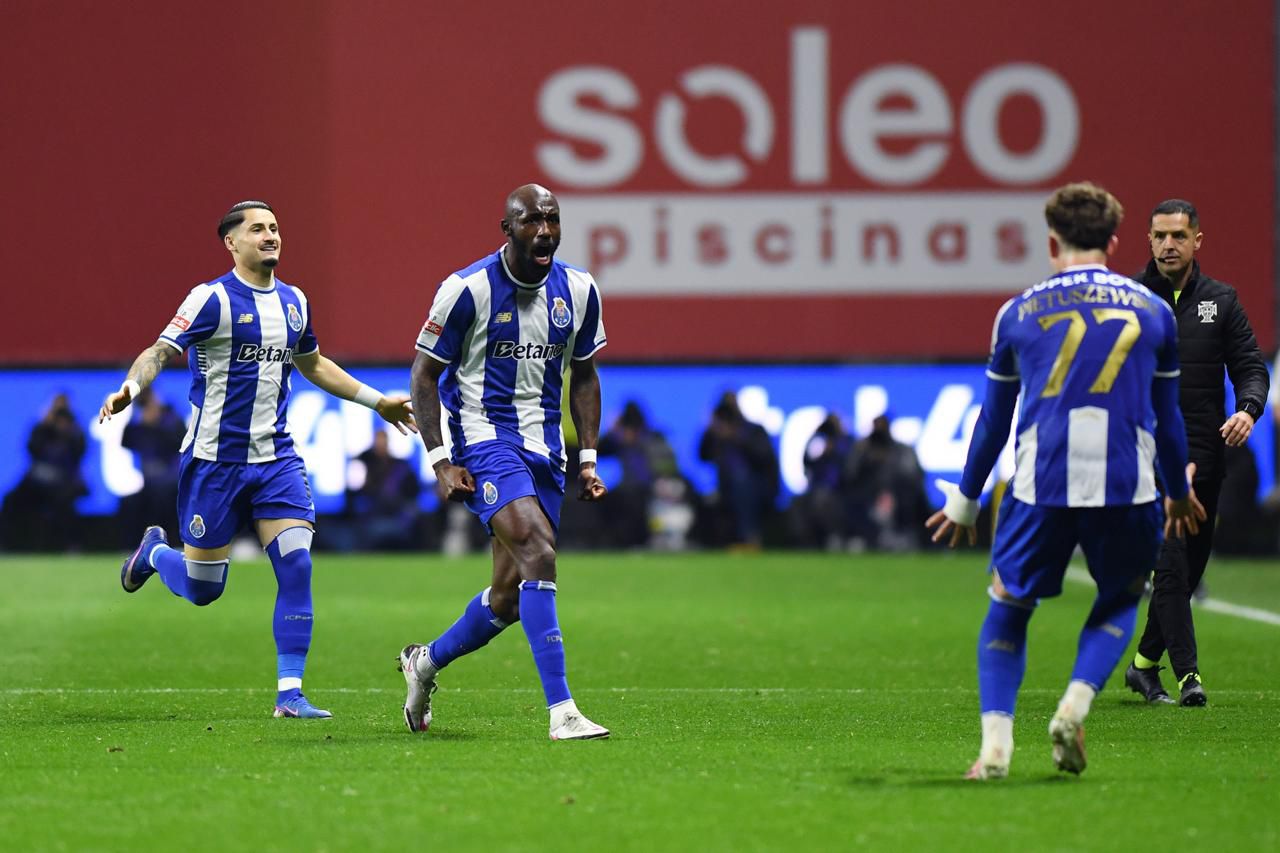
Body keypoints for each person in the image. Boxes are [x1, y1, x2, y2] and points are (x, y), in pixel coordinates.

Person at [925, 182, 1204, 780]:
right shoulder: (1154, 311)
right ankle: (1073, 707)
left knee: (1008, 608)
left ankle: (995, 751)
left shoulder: (1018, 312)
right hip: (1128, 489)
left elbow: (993, 420)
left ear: (1052, 242)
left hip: (1039, 487)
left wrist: (967, 501)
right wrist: (1179, 495)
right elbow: (1167, 417)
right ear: (1114, 241)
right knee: (1121, 598)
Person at [99, 201, 416, 719]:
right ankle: (154, 554)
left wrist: (375, 400)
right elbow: (160, 349)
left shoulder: (294, 302)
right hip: (214, 461)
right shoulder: (211, 299)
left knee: (296, 564)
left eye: (274, 228)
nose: (270, 236)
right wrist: (131, 387)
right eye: (257, 229)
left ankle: (289, 694)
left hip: (276, 459)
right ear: (231, 242)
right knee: (205, 590)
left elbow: (312, 363)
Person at [397, 184, 610, 741]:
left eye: (552, 219)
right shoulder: (465, 290)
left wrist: (586, 458)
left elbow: (584, 374)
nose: (544, 230)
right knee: (538, 550)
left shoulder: (581, 290)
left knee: (508, 598)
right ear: (507, 229)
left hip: (544, 449)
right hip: (483, 440)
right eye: (531, 221)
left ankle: (424, 662)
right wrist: (441, 459)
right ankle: (562, 711)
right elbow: (423, 374)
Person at [1123, 199, 1270, 706]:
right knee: (1172, 562)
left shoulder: (1221, 301)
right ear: (1149, 239)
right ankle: (1188, 676)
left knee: (1190, 565)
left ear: (1197, 241)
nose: (1168, 245)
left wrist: (1248, 409)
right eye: (1160, 236)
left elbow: (1250, 365)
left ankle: (1143, 665)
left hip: (1206, 453)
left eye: (1178, 236)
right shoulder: (1129, 299)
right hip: (1147, 455)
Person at [1, 392, 88, 551]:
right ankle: (6, 545)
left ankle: (72, 546)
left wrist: (69, 430)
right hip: (37, 480)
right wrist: (44, 424)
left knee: (66, 505)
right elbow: (31, 449)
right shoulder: (42, 429)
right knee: (10, 500)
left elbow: (79, 454)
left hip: (64, 481)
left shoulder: (75, 431)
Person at [697, 391, 779, 549]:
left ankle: (750, 537)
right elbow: (702, 456)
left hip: (757, 486)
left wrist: (737, 437)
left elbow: (764, 458)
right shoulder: (715, 433)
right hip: (726, 486)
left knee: (742, 483)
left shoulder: (754, 430)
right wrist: (710, 429)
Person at [844, 413, 929, 551]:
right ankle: (862, 539)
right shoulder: (861, 451)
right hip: (867, 499)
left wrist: (891, 485)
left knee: (909, 499)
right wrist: (864, 458)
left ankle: (906, 537)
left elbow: (915, 477)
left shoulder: (903, 450)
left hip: (900, 498)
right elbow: (849, 476)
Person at [118, 388, 187, 546]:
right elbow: (125, 441)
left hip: (171, 480)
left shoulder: (170, 417)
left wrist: (157, 422)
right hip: (148, 483)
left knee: (164, 500)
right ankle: (132, 546)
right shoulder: (139, 424)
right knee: (130, 504)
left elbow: (180, 442)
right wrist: (138, 418)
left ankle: (174, 543)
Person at [344, 430, 423, 550]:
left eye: (383, 442)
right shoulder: (364, 464)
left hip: (397, 515)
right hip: (371, 515)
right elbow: (353, 490)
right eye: (378, 442)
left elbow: (413, 491)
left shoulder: (400, 466)